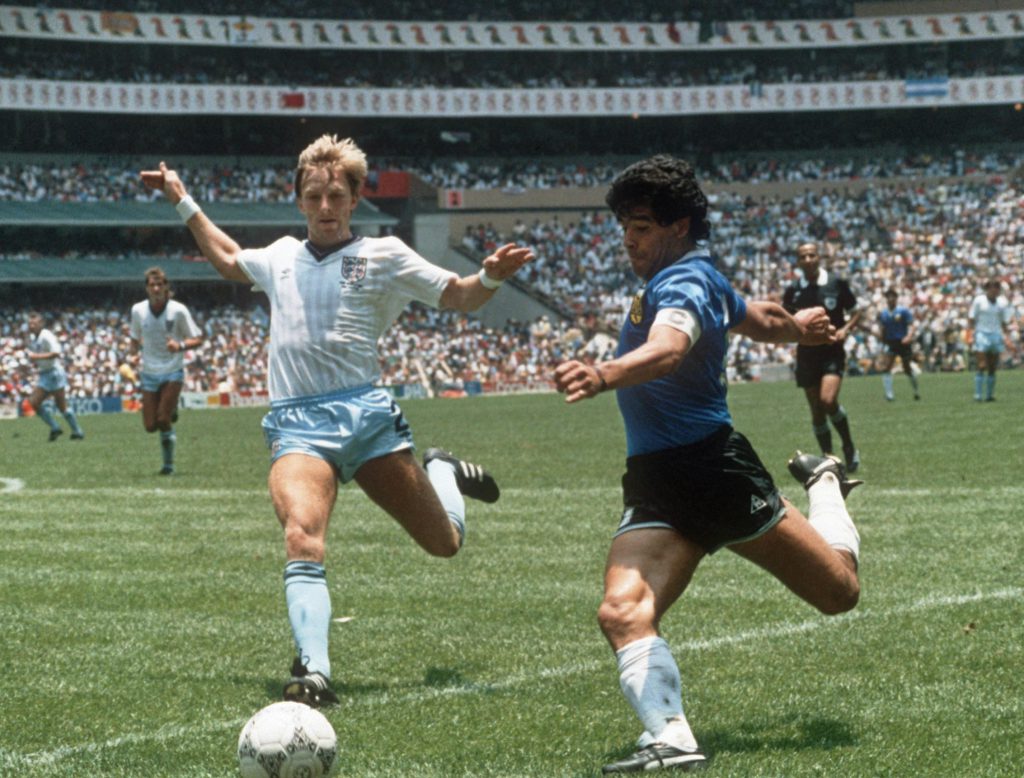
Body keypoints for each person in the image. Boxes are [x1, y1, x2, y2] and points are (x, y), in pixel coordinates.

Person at [140, 134, 533, 707]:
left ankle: (443, 473)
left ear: (354, 200)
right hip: (297, 425)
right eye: (315, 195)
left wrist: (491, 276)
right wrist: (180, 196)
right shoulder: (278, 257)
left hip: (368, 420)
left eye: (337, 196)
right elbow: (227, 258)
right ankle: (314, 673)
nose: (325, 207)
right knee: (302, 533)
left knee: (444, 543)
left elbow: (460, 296)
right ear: (299, 200)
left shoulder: (384, 255)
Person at [553, 155, 863, 775]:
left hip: (714, 472)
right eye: (624, 225)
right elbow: (762, 318)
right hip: (656, 481)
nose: (628, 238)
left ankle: (826, 484)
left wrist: (604, 372)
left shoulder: (686, 283)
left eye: (640, 225)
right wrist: (802, 329)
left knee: (839, 593)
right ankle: (671, 737)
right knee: (621, 612)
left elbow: (668, 349)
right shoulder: (696, 277)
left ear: (680, 225)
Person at [782, 241, 861, 473]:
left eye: (811, 255)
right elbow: (784, 319)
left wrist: (845, 330)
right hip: (806, 354)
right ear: (798, 262)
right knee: (816, 410)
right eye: (803, 256)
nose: (808, 260)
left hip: (831, 351)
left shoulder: (836, 284)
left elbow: (856, 312)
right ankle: (829, 458)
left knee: (828, 401)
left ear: (819, 257)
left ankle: (848, 445)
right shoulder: (794, 290)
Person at [128, 267, 204, 475]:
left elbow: (197, 338)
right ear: (146, 288)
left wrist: (179, 346)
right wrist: (133, 355)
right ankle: (172, 409)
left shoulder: (178, 310)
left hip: (173, 370)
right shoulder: (138, 310)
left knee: (163, 419)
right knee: (150, 425)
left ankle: (168, 466)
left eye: (160, 284)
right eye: (152, 285)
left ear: (166, 287)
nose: (156, 288)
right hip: (149, 372)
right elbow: (134, 339)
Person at [24, 311, 85, 441]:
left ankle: (77, 431)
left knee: (61, 405)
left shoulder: (46, 335)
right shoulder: (36, 337)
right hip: (45, 373)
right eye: (30, 323)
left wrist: (36, 357)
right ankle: (56, 427)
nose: (31, 326)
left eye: (34, 323)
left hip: (54, 372)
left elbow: (56, 352)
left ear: (41, 324)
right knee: (34, 402)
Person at [968, 277, 1014, 402]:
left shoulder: (1002, 303)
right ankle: (977, 395)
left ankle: (989, 395)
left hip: (996, 335)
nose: (994, 290)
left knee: (992, 367)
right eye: (992, 288)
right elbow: (972, 318)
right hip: (982, 334)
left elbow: (1004, 322)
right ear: (987, 289)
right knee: (982, 365)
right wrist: (971, 335)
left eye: (997, 288)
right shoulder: (979, 301)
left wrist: (1007, 338)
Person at [876, 288, 920, 401]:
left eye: (892, 296)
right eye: (888, 296)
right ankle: (889, 395)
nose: (890, 299)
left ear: (896, 298)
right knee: (886, 368)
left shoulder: (903, 311)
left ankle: (916, 391)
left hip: (903, 342)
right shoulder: (884, 314)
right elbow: (883, 329)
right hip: (891, 343)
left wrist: (909, 336)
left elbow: (911, 325)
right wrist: (881, 337)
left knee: (907, 368)